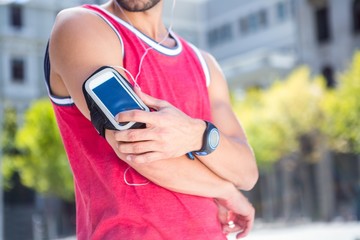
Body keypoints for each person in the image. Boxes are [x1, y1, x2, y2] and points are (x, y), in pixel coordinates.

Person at [44, 0, 258, 239]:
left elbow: (247, 172)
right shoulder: (80, 26)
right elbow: (135, 141)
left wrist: (197, 134)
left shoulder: (205, 65)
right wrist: (225, 190)